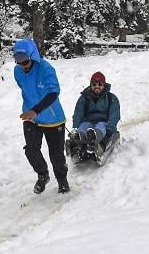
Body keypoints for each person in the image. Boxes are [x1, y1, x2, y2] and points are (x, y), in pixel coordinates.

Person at [13, 38, 69, 194]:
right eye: (17, 60)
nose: (22, 64)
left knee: (56, 154)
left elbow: (53, 93)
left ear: (32, 56)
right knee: (31, 150)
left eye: (24, 60)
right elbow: (24, 87)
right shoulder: (17, 71)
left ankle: (62, 180)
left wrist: (36, 109)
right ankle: (43, 175)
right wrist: (32, 111)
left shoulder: (46, 69)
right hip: (31, 118)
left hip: (53, 119)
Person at [72, 71, 121, 149]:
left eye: (100, 84)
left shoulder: (111, 98)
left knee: (101, 126)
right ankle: (78, 140)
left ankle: (94, 138)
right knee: (83, 126)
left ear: (104, 85)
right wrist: (75, 128)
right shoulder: (84, 98)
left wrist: (109, 131)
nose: (97, 87)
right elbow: (78, 113)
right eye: (94, 84)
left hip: (104, 123)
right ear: (91, 85)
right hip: (88, 122)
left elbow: (114, 115)